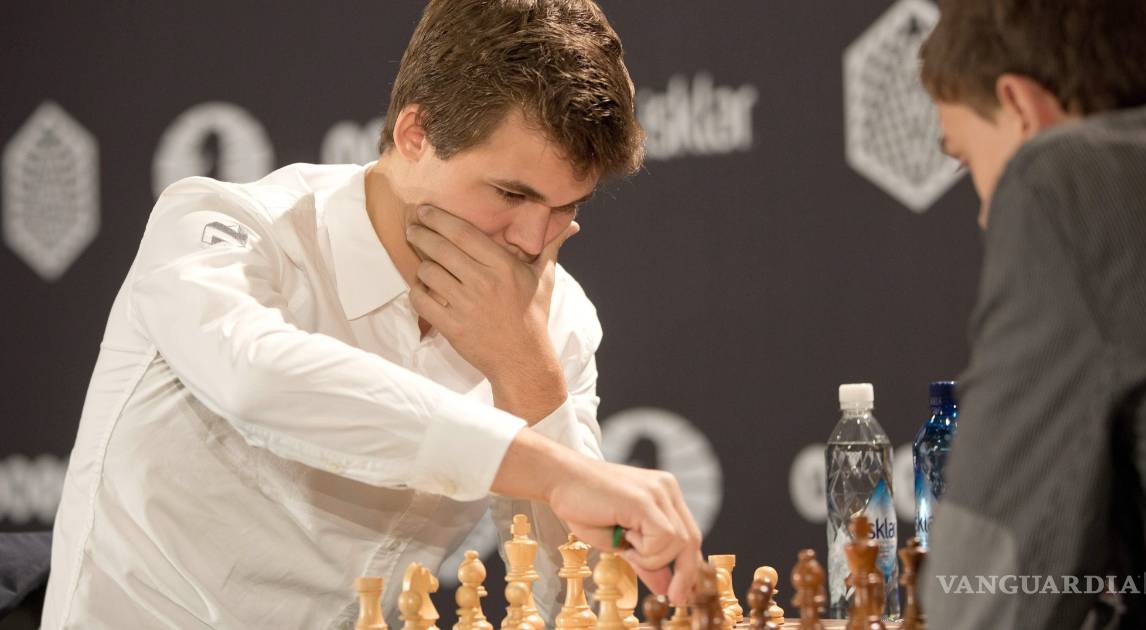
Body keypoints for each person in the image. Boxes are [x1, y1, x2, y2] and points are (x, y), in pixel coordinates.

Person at [41, 1, 703, 627]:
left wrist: (529, 377)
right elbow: (257, 378)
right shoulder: (232, 226)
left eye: (567, 207)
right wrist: (555, 471)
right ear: (416, 134)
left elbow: (575, 602)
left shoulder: (549, 317)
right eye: (510, 194)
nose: (534, 241)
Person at [916, 1, 1146, 628]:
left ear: (1020, 106)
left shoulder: (1069, 182)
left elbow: (981, 595)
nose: (986, 215)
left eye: (968, 162)